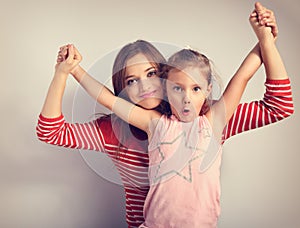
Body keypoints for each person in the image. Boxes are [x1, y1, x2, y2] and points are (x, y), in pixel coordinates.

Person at [36, 3, 294, 227]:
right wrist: (67, 72)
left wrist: (266, 42)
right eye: (131, 81)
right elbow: (55, 129)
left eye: (150, 74)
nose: (145, 86)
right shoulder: (134, 127)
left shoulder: (211, 118)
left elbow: (274, 101)